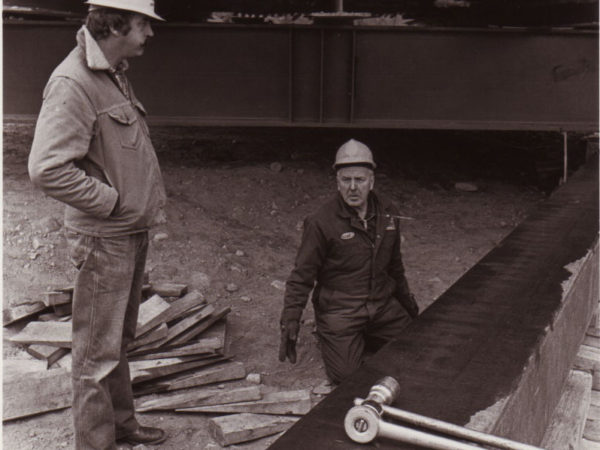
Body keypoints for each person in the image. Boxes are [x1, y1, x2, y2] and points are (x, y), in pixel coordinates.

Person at [28, 1, 167, 448]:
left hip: (126, 234)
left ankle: (122, 427)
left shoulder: (111, 72)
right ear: (115, 23)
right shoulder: (73, 82)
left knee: (117, 341)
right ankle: (96, 443)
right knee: (95, 355)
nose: (149, 32)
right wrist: (109, 202)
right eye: (143, 23)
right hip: (103, 237)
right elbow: (47, 168)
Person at [278, 139, 419, 384]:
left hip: (381, 306)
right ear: (337, 182)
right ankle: (336, 341)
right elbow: (302, 275)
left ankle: (366, 342)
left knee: (419, 350)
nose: (353, 188)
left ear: (371, 181)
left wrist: (409, 308)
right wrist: (290, 319)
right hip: (340, 312)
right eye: (346, 180)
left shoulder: (388, 211)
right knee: (347, 377)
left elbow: (395, 265)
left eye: (360, 180)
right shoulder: (321, 222)